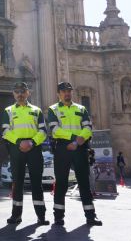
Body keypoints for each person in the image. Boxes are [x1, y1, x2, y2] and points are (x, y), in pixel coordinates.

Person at [47, 82, 102, 226]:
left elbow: (88, 128)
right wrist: (74, 138)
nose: (67, 93)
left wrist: (77, 142)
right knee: (61, 183)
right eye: (64, 91)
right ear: (58, 93)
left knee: (84, 182)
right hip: (62, 148)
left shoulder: (81, 108)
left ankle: (91, 216)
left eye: (69, 91)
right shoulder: (53, 109)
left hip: (80, 147)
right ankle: (58, 217)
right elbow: (54, 130)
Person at [2, 82, 49, 225]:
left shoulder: (37, 110)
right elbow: (5, 131)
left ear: (28, 93)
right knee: (17, 183)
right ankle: (16, 215)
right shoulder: (8, 111)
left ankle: (41, 216)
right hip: (17, 148)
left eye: (22, 91)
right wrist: (18, 142)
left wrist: (32, 143)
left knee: (36, 183)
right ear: (13, 94)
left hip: (34, 149)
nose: (20, 94)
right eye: (17, 91)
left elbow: (43, 132)